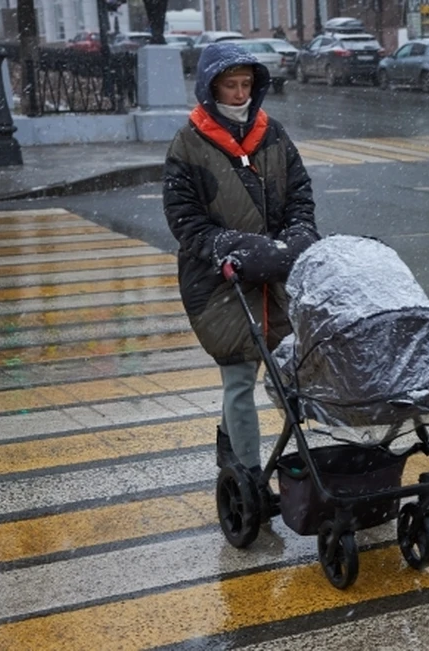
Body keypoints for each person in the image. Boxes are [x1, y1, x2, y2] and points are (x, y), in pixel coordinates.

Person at [163, 42, 319, 479]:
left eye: (245, 84)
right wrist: (227, 246)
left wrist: (297, 236)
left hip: (278, 275)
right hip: (218, 282)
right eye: (229, 85)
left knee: (292, 375)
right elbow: (185, 219)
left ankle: (247, 453)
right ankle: (248, 477)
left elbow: (300, 196)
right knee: (239, 377)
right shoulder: (188, 143)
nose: (238, 94)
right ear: (211, 88)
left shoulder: (273, 133)